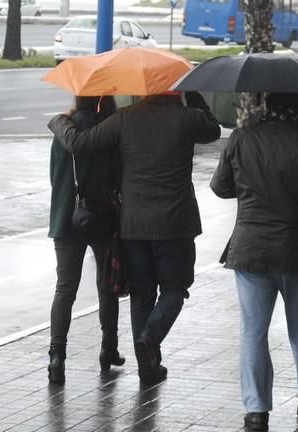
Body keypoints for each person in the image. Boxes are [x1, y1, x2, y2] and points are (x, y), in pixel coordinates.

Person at [48, 91, 221, 385]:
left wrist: (58, 122)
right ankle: (148, 341)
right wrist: (193, 95)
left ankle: (148, 366)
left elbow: (79, 144)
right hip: (174, 223)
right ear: (175, 89)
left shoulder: (125, 119)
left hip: (133, 224)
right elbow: (213, 129)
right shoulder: (188, 118)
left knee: (141, 293)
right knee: (175, 289)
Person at [210, 93, 298, 431]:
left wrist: (250, 184)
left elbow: (220, 187)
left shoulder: (241, 138)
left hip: (251, 250)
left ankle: (256, 410)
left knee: (253, 331)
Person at [47, 96, 125, 384]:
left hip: (65, 219)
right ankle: (109, 348)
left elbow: (54, 175)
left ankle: (57, 356)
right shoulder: (108, 131)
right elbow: (118, 177)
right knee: (107, 285)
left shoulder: (62, 131)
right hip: (101, 218)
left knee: (64, 289)